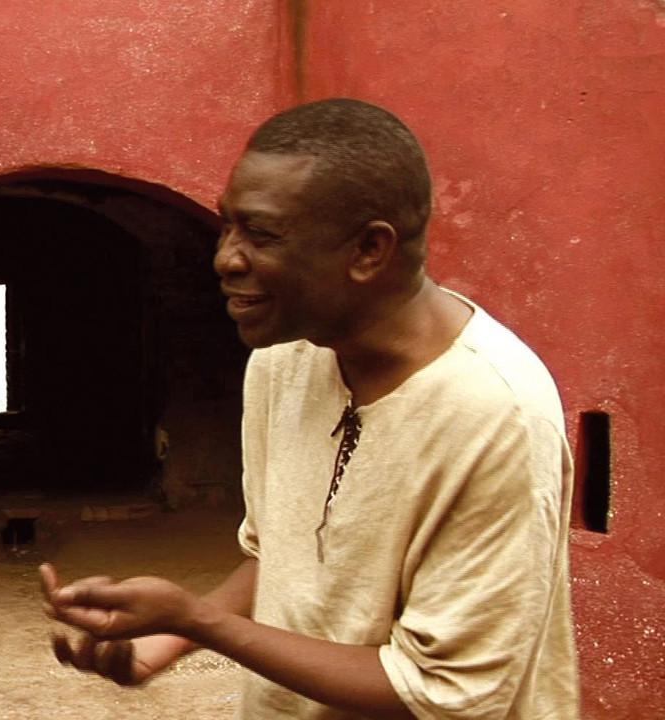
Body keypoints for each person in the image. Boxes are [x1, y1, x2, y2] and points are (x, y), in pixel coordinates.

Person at [41, 98, 579, 720]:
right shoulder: (286, 355)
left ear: (369, 251)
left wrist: (202, 621)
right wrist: (171, 637)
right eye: (227, 226)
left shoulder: (494, 415)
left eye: (261, 234)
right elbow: (281, 556)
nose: (225, 258)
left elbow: (445, 693)